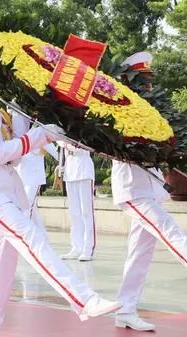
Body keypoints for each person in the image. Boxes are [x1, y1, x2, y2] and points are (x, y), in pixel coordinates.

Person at [0, 39, 121, 337]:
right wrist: (39, 136)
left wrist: (41, 119)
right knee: (33, 239)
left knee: (3, 269)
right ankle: (83, 299)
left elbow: (18, 142)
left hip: (9, 189)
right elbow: (1, 152)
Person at [111, 51, 187, 332]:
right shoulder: (118, 110)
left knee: (139, 253)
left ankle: (126, 308)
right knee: (172, 233)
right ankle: (126, 308)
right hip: (133, 190)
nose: (148, 87)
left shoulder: (150, 112)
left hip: (149, 190)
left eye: (148, 81)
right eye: (142, 81)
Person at [13, 119, 59, 229]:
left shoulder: (40, 132)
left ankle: (25, 234)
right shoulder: (18, 132)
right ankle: (41, 236)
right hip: (21, 175)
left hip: (34, 177)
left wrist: (62, 165)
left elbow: (56, 153)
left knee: (28, 206)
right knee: (29, 208)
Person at [58, 141, 96, 261]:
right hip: (70, 168)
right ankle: (76, 247)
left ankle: (87, 248)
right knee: (74, 213)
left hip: (84, 167)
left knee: (86, 212)